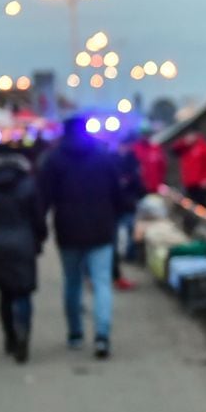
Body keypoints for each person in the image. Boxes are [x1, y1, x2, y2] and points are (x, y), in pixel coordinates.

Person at [38, 115, 122, 359]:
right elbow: (117, 193)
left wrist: (39, 228)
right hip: (101, 229)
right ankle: (102, 336)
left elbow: (44, 197)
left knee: (72, 282)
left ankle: (75, 334)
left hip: (68, 230)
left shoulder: (53, 160)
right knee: (102, 283)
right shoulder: (104, 157)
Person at [0, 145, 47, 363]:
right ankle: (23, 331)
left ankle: (10, 338)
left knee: (4, 294)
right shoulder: (28, 183)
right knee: (23, 293)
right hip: (23, 241)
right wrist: (39, 239)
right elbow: (38, 218)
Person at [112, 137, 145, 290]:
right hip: (113, 207)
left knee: (129, 233)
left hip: (127, 204)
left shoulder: (133, 160)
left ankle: (128, 258)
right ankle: (114, 273)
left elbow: (138, 181)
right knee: (113, 241)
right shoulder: (111, 160)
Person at [175, 128, 206, 207]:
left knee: (202, 208)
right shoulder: (185, 147)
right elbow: (174, 150)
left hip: (201, 184)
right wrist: (183, 143)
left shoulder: (204, 145)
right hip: (188, 184)